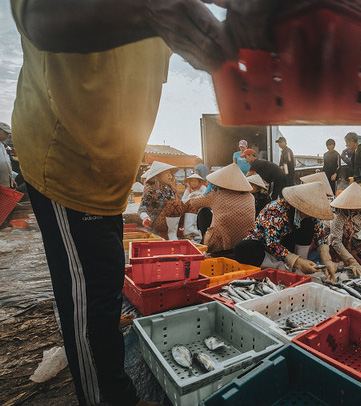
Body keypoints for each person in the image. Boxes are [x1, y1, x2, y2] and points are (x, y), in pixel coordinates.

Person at [9, 0, 279, 403]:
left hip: (109, 176)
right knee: (92, 309)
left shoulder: (200, 194)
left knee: (106, 281)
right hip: (68, 165)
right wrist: (150, 11)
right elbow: (35, 16)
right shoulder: (192, 193)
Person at [234, 182, 338, 280]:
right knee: (242, 248)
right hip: (264, 247)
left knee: (308, 224)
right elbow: (272, 243)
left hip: (287, 245)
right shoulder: (275, 210)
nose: (313, 215)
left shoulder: (312, 215)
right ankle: (281, 267)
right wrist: (298, 261)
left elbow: (320, 237)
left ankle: (299, 270)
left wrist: (326, 259)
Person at [187, 163, 254, 255]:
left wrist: (207, 193)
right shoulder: (250, 197)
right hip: (244, 243)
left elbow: (193, 202)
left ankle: (205, 244)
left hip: (220, 245)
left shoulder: (216, 195)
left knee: (204, 212)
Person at [139, 161, 199, 240]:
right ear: (159, 175)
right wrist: (145, 218)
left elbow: (178, 205)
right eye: (167, 173)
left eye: (170, 174)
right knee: (174, 202)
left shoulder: (170, 188)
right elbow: (142, 209)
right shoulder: (150, 190)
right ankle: (172, 234)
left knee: (192, 202)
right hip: (157, 223)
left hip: (173, 221)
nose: (170, 176)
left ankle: (188, 231)